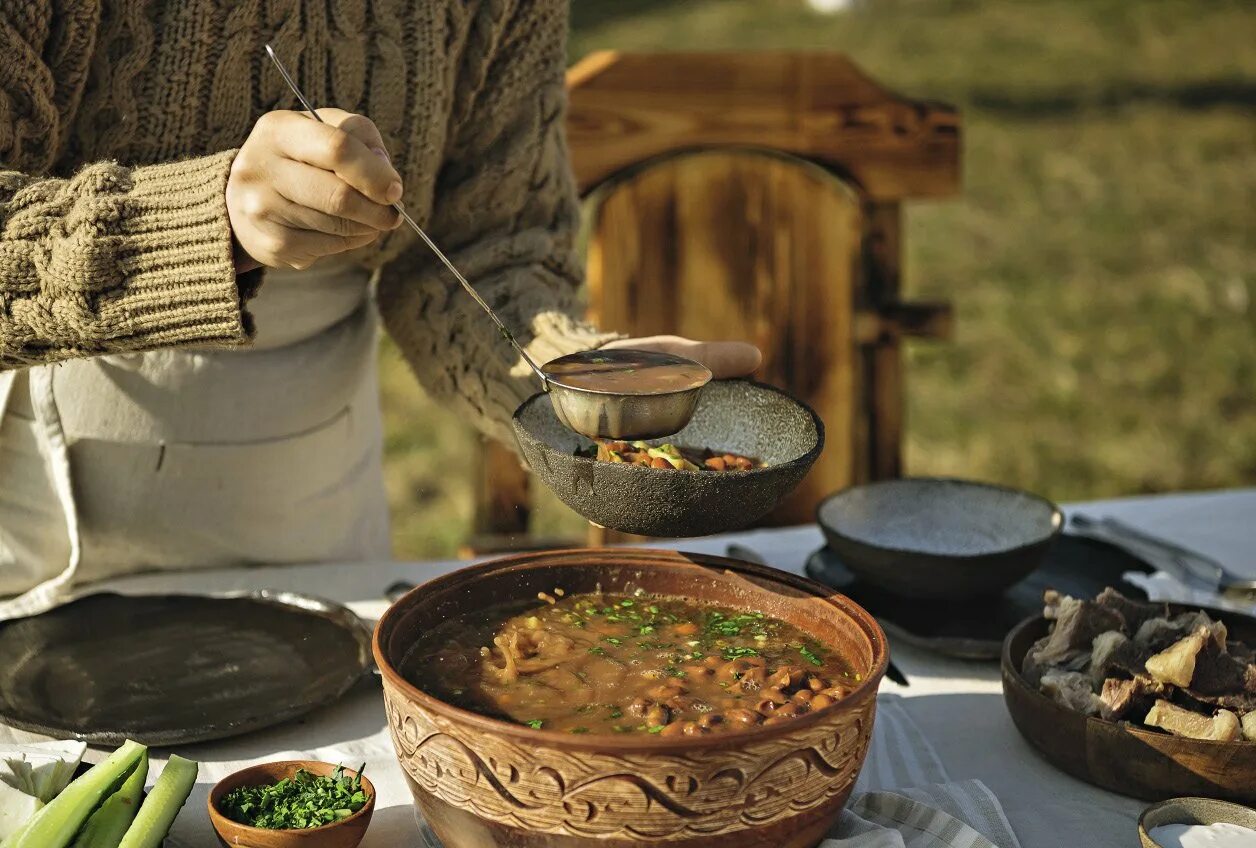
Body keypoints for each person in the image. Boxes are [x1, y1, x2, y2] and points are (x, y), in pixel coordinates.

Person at [0, 0, 760, 618]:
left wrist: (565, 379)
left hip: (315, 498)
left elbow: (489, 242)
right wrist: (203, 227)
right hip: (35, 515)